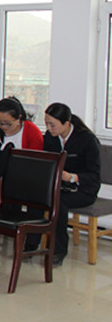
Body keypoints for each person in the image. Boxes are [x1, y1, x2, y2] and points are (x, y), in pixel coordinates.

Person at [32, 103, 101, 266]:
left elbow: (94, 175)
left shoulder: (87, 140)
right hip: (58, 186)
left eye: (52, 125)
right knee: (36, 198)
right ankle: (30, 245)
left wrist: (72, 177)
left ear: (67, 124)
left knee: (58, 202)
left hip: (83, 189)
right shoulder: (50, 137)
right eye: (46, 124)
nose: (48, 129)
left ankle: (58, 251)